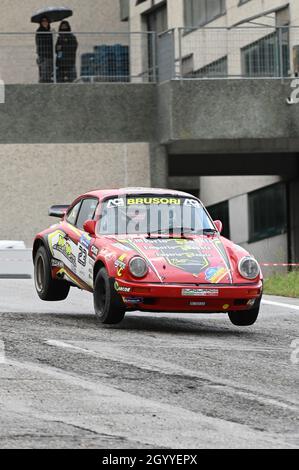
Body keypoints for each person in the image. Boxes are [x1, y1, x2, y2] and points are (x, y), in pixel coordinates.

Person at [35, 17, 54, 83]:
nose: (45, 22)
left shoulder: (49, 31)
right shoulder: (40, 31)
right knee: (44, 75)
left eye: (46, 21)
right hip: (44, 56)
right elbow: (41, 43)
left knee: (49, 74)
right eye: (43, 21)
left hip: (50, 56)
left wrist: (52, 34)